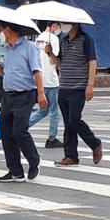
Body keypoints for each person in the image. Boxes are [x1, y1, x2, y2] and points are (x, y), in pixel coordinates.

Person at [0, 23, 48, 183]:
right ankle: (15, 171)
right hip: (8, 95)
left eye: (1, 30)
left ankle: (35, 161)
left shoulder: (29, 47)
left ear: (8, 30)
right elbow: (4, 73)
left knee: (19, 131)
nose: (0, 34)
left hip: (25, 95)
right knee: (6, 132)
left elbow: (37, 71)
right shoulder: (8, 49)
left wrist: (41, 94)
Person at [47, 22, 103, 167]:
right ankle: (71, 156)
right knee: (68, 123)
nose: (64, 25)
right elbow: (61, 64)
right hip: (64, 87)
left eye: (67, 23)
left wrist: (90, 85)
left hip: (78, 87)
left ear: (75, 23)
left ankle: (95, 144)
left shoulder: (85, 39)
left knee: (75, 119)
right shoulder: (64, 40)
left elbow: (92, 62)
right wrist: (50, 53)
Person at [29, 21, 64, 149]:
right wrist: (51, 53)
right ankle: (52, 138)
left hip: (39, 80)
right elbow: (52, 60)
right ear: (54, 25)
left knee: (44, 110)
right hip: (51, 79)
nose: (59, 29)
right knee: (54, 112)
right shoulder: (53, 39)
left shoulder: (38, 39)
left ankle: (21, 128)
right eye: (59, 26)